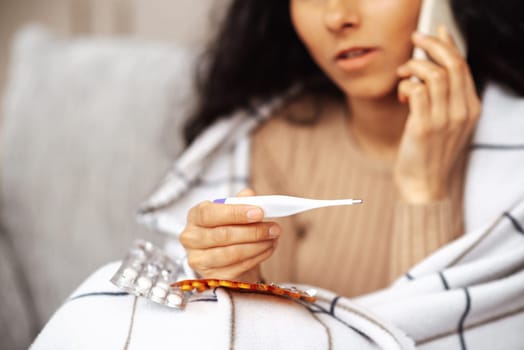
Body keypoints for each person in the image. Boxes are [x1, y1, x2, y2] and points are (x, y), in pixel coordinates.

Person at [31, 0, 524, 349]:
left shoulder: (510, 150)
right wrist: (234, 276)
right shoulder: (273, 139)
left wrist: (425, 188)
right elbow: (272, 338)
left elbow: (442, 333)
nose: (337, 15)